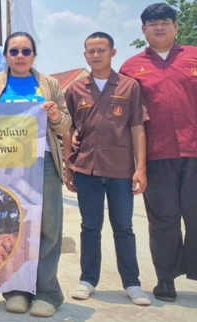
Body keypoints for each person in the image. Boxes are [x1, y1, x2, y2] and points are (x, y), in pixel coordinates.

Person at [120, 3, 197, 309]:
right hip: (157, 154)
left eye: (165, 22)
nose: (159, 27)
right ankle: (166, 279)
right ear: (143, 29)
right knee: (163, 219)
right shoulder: (131, 67)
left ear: (175, 26)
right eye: (152, 23)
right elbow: (129, 114)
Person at [0, 32, 70, 318]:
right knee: (11, 228)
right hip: (7, 166)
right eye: (14, 51)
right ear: (5, 55)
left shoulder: (50, 84)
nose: (20, 56)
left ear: (34, 55)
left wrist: (55, 116)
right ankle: (16, 290)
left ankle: (47, 292)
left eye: (26, 51)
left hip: (44, 163)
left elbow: (65, 125)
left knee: (48, 228)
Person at [63, 32, 150, 307]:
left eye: (101, 50)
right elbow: (67, 129)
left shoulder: (129, 87)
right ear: (85, 55)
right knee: (90, 227)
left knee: (124, 227)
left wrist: (140, 168)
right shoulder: (75, 90)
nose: (96, 55)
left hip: (120, 169)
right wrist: (68, 165)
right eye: (91, 51)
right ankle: (88, 280)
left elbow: (137, 127)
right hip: (86, 169)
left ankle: (132, 283)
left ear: (113, 52)